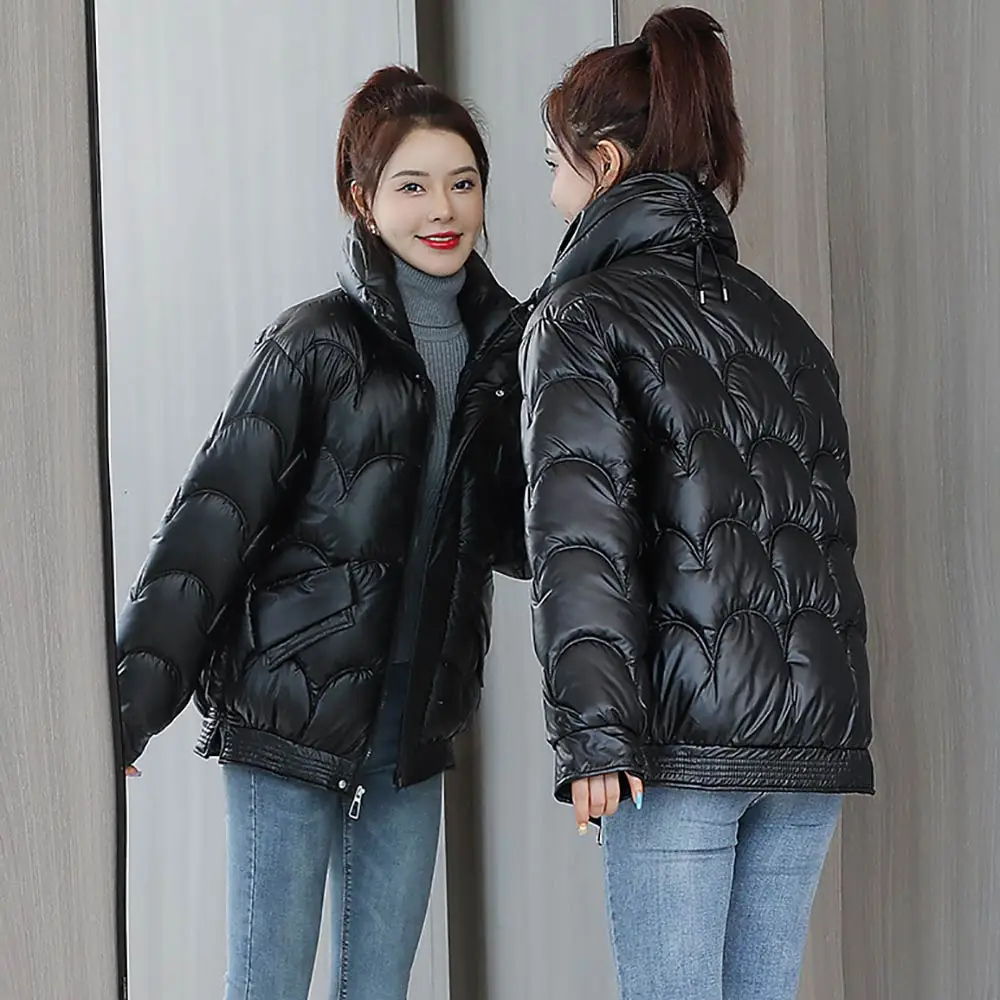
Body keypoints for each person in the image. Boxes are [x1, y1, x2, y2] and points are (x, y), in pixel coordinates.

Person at [116, 65, 527, 1000]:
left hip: (413, 724)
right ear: (363, 199)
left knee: (377, 988)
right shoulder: (314, 341)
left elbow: (514, 538)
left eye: (463, 182)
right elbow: (212, 521)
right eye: (413, 185)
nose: (443, 209)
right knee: (266, 984)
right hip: (288, 714)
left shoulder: (508, 355)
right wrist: (131, 703)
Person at [519, 8, 873, 1000]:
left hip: (681, 747)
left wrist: (594, 736)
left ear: (602, 162)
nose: (549, 194)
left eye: (552, 165)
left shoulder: (580, 315)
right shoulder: (785, 326)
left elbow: (581, 538)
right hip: (811, 737)